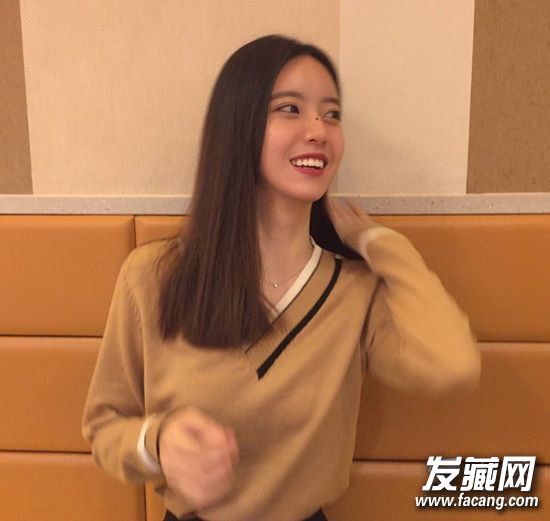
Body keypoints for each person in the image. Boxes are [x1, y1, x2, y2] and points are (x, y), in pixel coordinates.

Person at [82, 35, 480, 521]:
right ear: (239, 125)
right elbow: (105, 426)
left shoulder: (355, 291)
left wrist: (380, 243)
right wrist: (158, 442)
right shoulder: (153, 276)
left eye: (332, 114)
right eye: (290, 108)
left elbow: (452, 366)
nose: (319, 130)